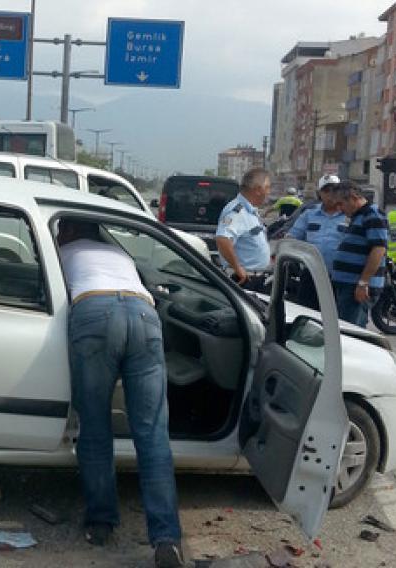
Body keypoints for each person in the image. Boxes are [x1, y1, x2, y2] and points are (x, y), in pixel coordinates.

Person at [57, 218, 185, 568]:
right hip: (143, 313)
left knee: (95, 426)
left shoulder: (63, 250)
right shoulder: (117, 252)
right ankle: (167, 538)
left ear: (67, 232)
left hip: (93, 311)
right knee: (153, 433)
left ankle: (101, 523)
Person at [331, 181, 389, 327]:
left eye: (340, 203)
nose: (339, 209)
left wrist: (363, 283)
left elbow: (378, 250)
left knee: (351, 332)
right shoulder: (358, 216)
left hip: (357, 286)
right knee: (345, 327)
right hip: (348, 284)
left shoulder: (372, 214)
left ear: (353, 197)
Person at [286, 175, 346, 308]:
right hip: (312, 275)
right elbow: (293, 237)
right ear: (319, 193)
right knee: (307, 314)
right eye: (326, 190)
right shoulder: (309, 214)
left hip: (340, 276)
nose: (331, 194)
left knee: (338, 318)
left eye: (335, 190)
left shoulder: (349, 215)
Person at [215, 167, 272, 292]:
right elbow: (223, 239)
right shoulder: (237, 211)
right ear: (258, 190)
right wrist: (238, 268)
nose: (269, 192)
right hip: (244, 280)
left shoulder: (249, 211)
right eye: (267, 187)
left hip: (256, 278)